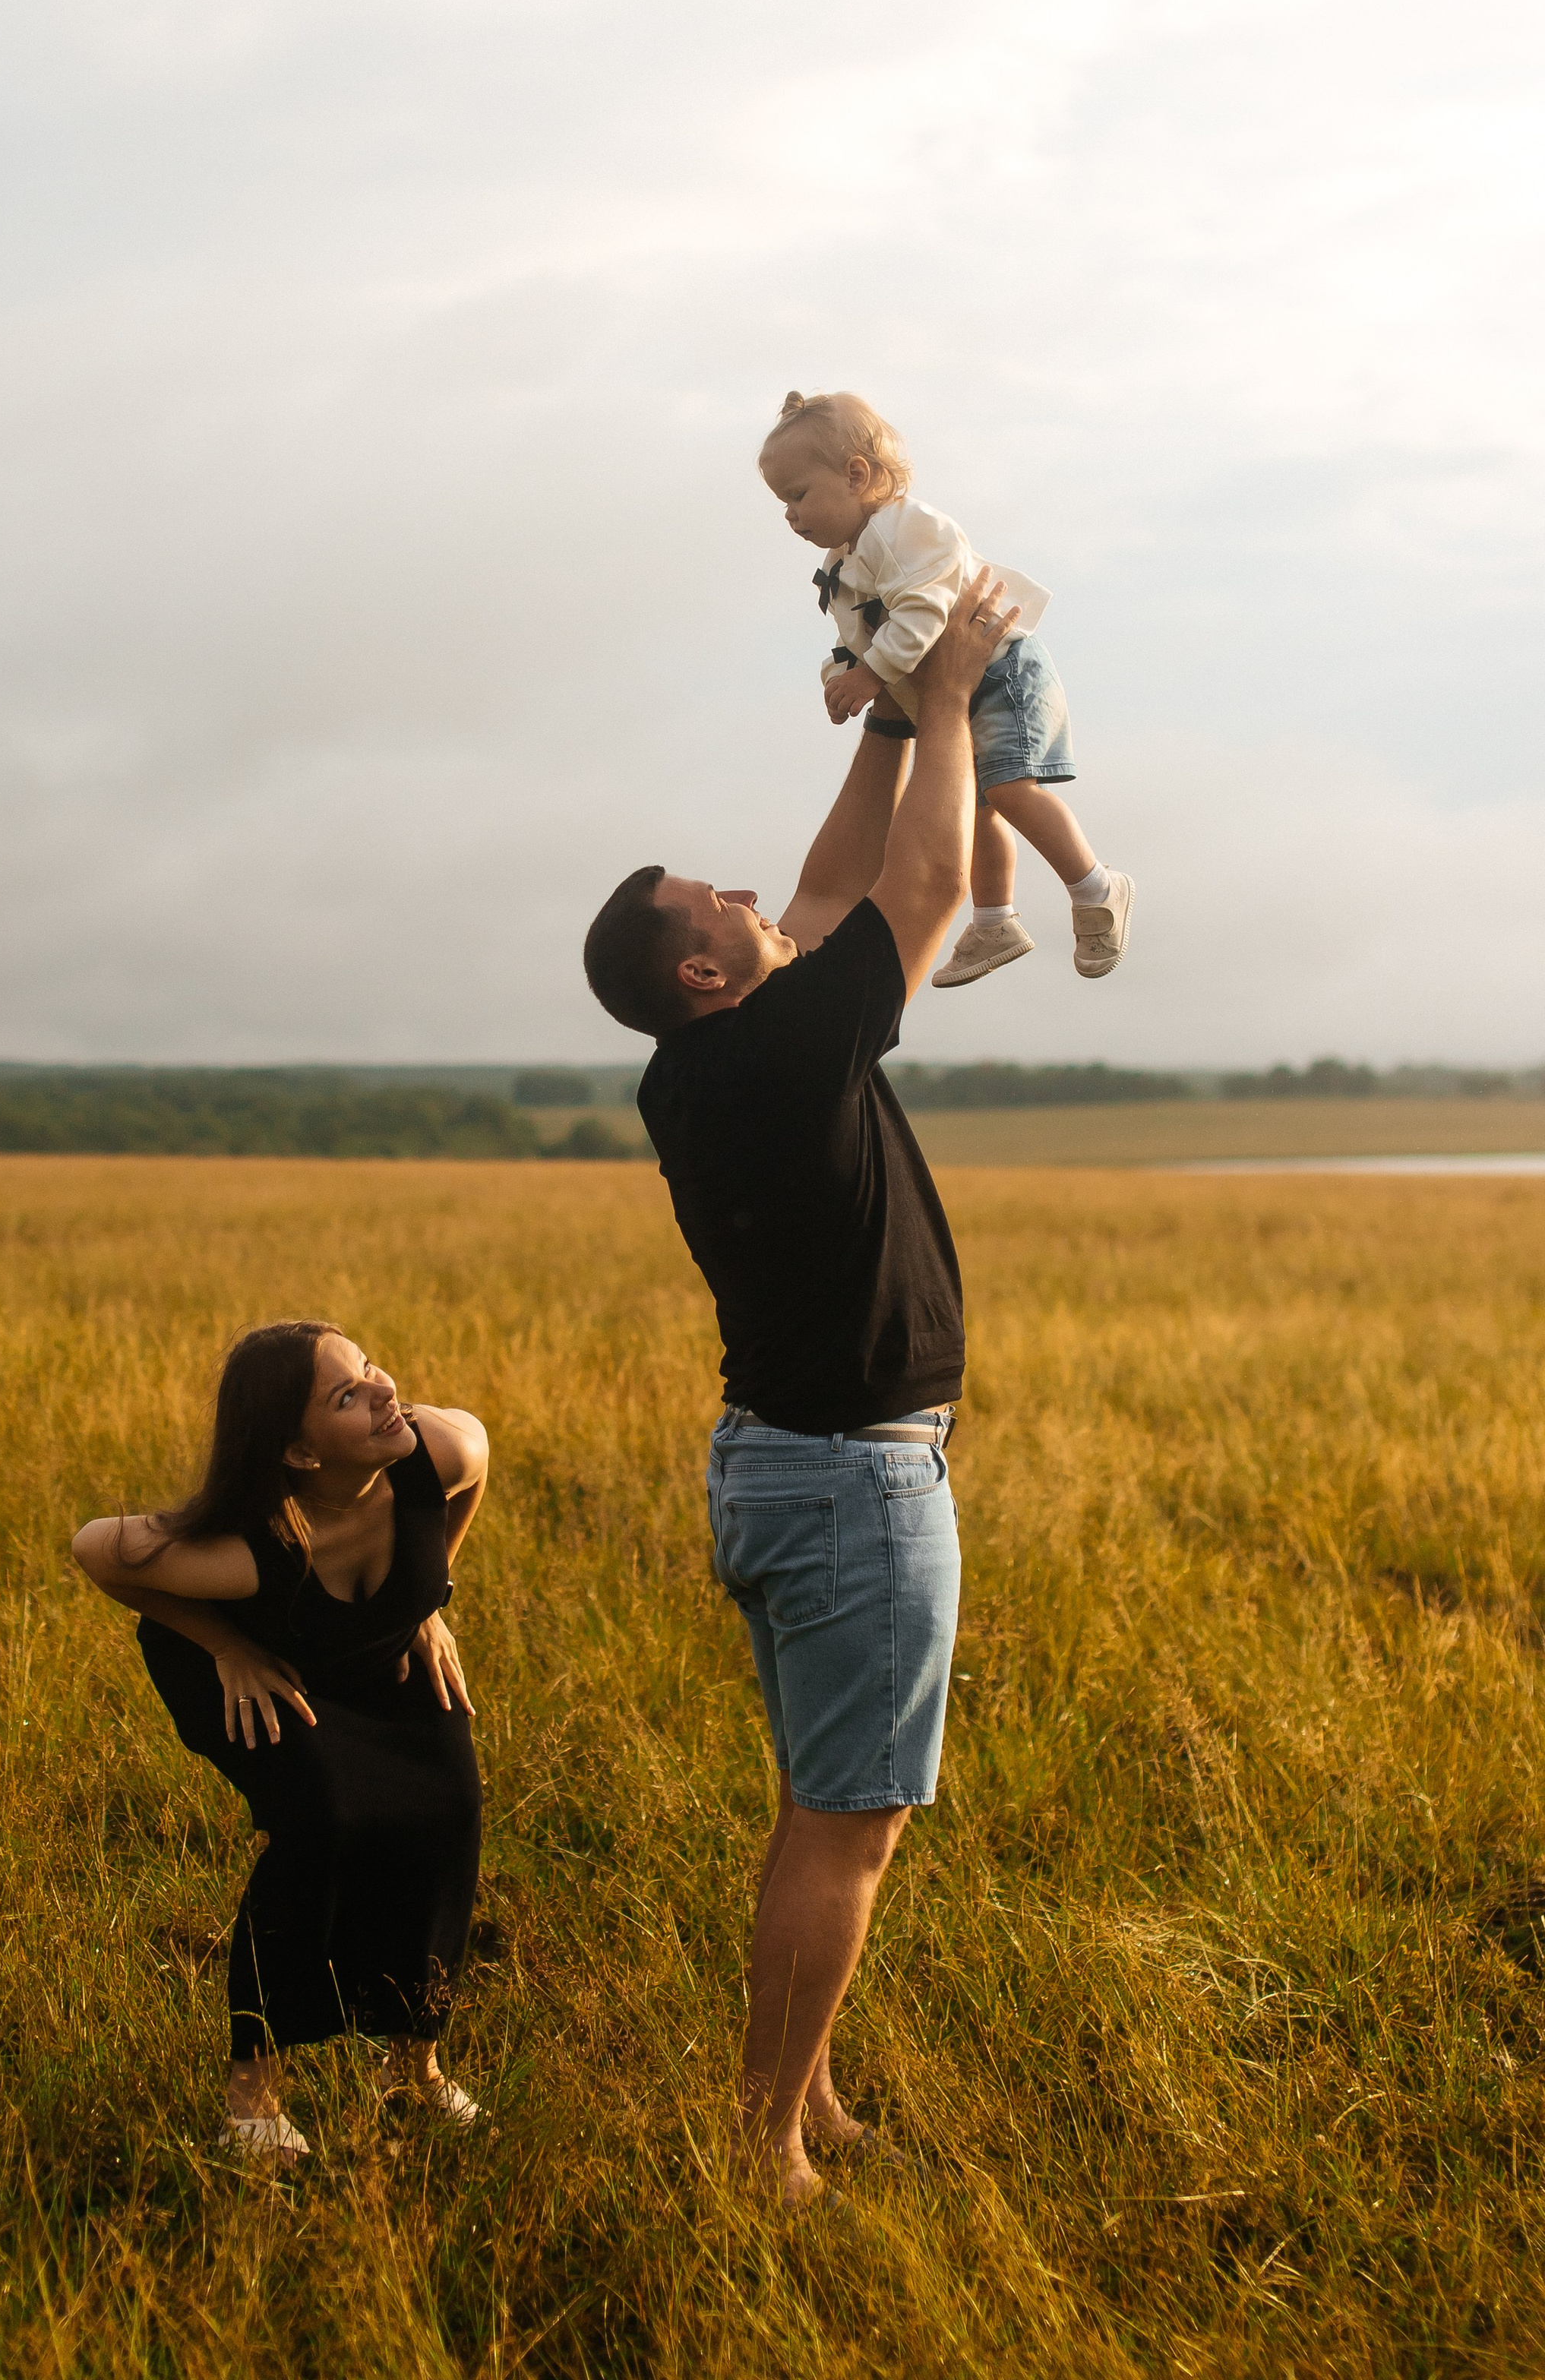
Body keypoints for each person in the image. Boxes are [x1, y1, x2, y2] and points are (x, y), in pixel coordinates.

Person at [581, 571, 1011, 2208]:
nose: (756, 890)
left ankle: (803, 2098)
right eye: (720, 902)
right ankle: (761, 2146)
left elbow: (832, 879)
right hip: (847, 1484)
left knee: (814, 1808)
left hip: (783, 1470)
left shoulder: (706, 1056)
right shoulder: (776, 1043)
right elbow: (906, 889)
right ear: (705, 972)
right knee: (848, 1826)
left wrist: (889, 720)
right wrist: (954, 700)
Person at [71, 1321, 488, 2163]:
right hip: (261, 1675)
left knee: (449, 1810)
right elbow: (96, 1549)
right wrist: (225, 1645)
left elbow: (475, 1466)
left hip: (378, 1648)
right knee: (324, 1827)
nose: (383, 1388)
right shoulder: (247, 1552)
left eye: (369, 1365)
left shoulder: (433, 1451)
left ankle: (413, 2071)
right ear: (300, 1454)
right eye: (347, 1394)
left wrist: (427, 1595)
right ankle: (251, 2104)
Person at [760, 386, 1133, 986]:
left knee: (1010, 790)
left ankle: (1096, 885)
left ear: (857, 475)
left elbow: (923, 614)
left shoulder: (909, 529)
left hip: (1000, 670)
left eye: (798, 495)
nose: (790, 514)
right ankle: (995, 920)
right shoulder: (841, 563)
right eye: (782, 503)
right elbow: (854, 639)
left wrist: (872, 674)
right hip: (948, 689)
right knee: (976, 811)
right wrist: (841, 677)